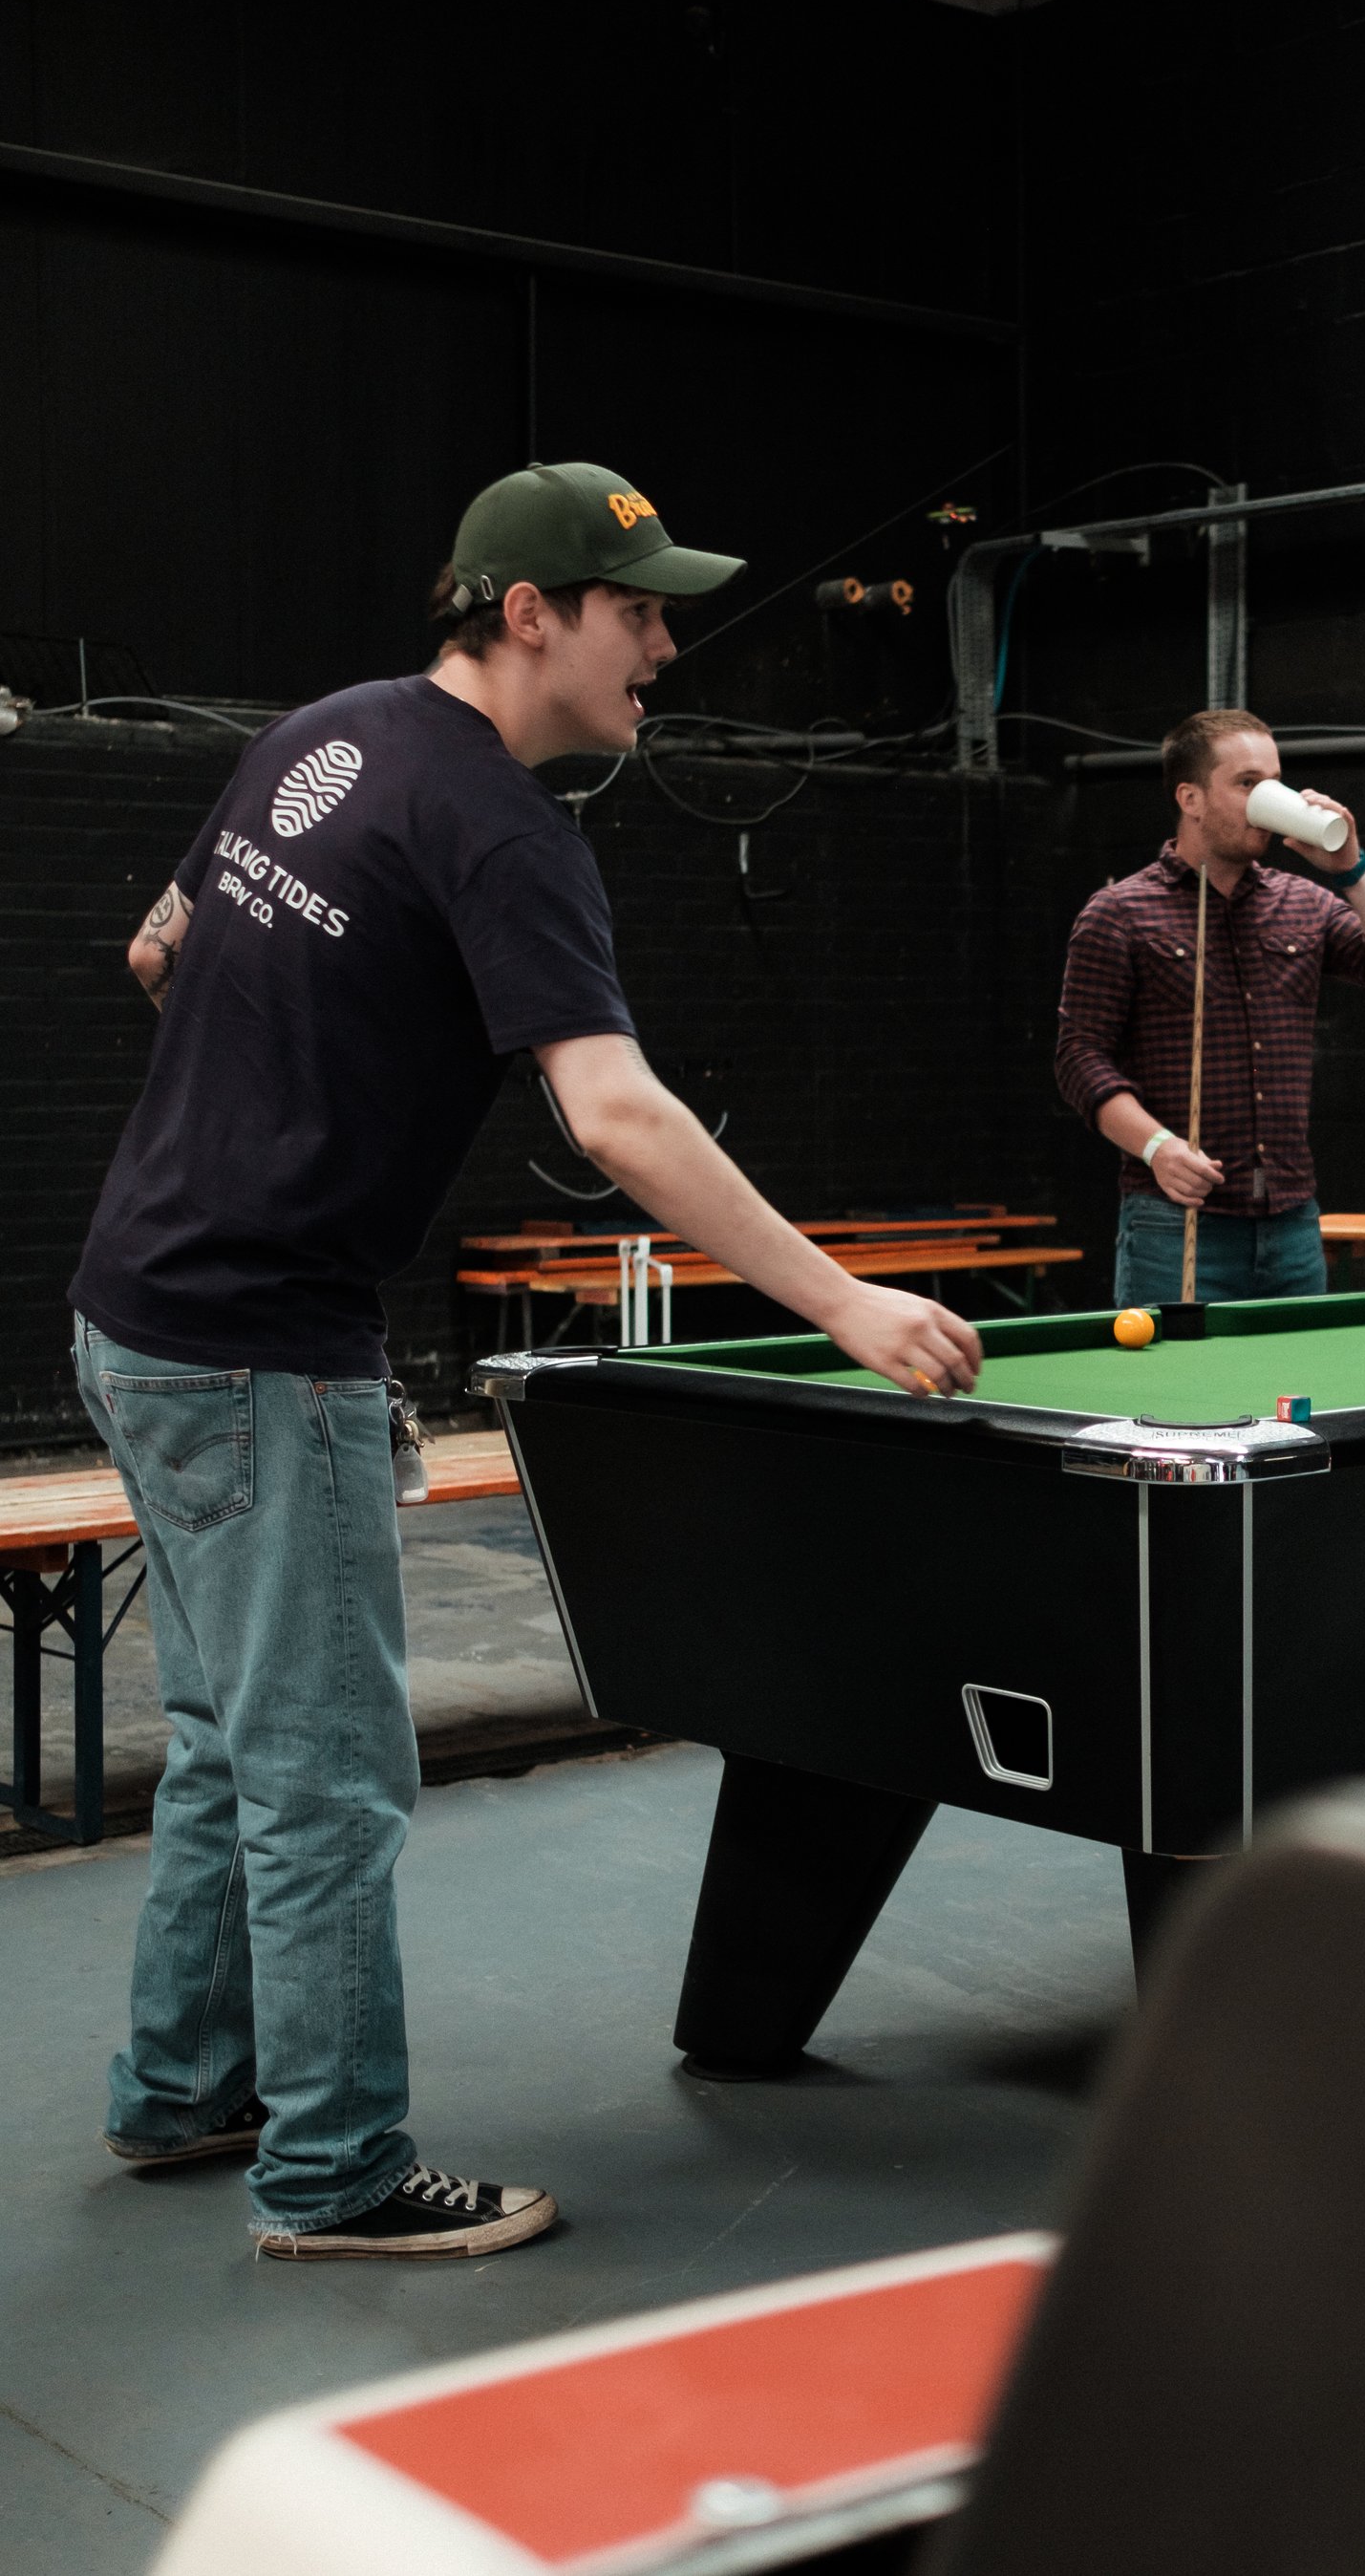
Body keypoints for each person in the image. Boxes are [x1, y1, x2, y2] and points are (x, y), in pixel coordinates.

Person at [69, 462, 982, 2263]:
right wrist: (846, 1305)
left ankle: (184, 2092)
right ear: (527, 613)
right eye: (639, 613)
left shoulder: (324, 735)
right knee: (325, 1773)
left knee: (225, 1749)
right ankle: (331, 2175)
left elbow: (160, 950)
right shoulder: (504, 828)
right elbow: (621, 1116)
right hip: (261, 1347)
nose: (663, 649)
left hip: (133, 1310)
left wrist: (286, 1076)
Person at [1056, 708, 1365, 1305]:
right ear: (1191, 797)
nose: (1270, 796)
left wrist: (1352, 869)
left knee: (1296, 1396)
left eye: (1275, 781)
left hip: (1291, 1223)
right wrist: (1158, 1147)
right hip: (1176, 1222)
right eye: (1248, 783)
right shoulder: (1120, 912)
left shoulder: (1302, 902)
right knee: (1176, 1397)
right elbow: (1081, 1058)